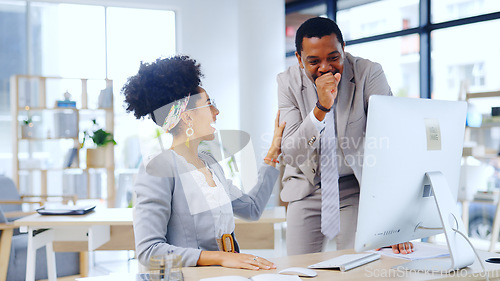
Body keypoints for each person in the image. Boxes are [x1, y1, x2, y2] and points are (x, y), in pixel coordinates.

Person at [123, 55, 285, 270]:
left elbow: (252, 209)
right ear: (187, 116)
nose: (216, 112)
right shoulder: (158, 168)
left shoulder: (210, 164)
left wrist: (274, 150)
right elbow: (149, 252)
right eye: (209, 104)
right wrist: (218, 257)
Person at [278, 17, 413, 255]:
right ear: (299, 59)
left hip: (355, 186)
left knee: (356, 266)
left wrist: (395, 218)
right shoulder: (287, 82)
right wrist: (321, 107)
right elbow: (291, 153)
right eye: (313, 61)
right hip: (307, 187)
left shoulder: (368, 73)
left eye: (333, 57)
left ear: (343, 49)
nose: (325, 68)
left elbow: (392, 143)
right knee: (299, 271)